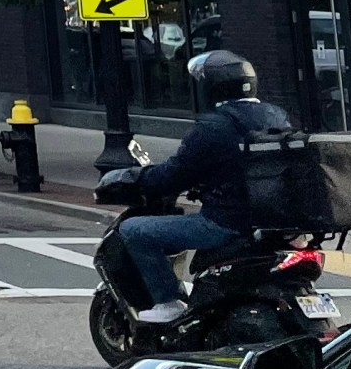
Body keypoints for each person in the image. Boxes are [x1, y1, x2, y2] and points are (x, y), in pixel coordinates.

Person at [100, 49, 288, 324]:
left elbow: (175, 175)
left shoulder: (214, 127)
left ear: (211, 88)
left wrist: (136, 178)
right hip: (269, 222)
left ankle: (168, 302)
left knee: (135, 230)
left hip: (225, 222)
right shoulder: (276, 116)